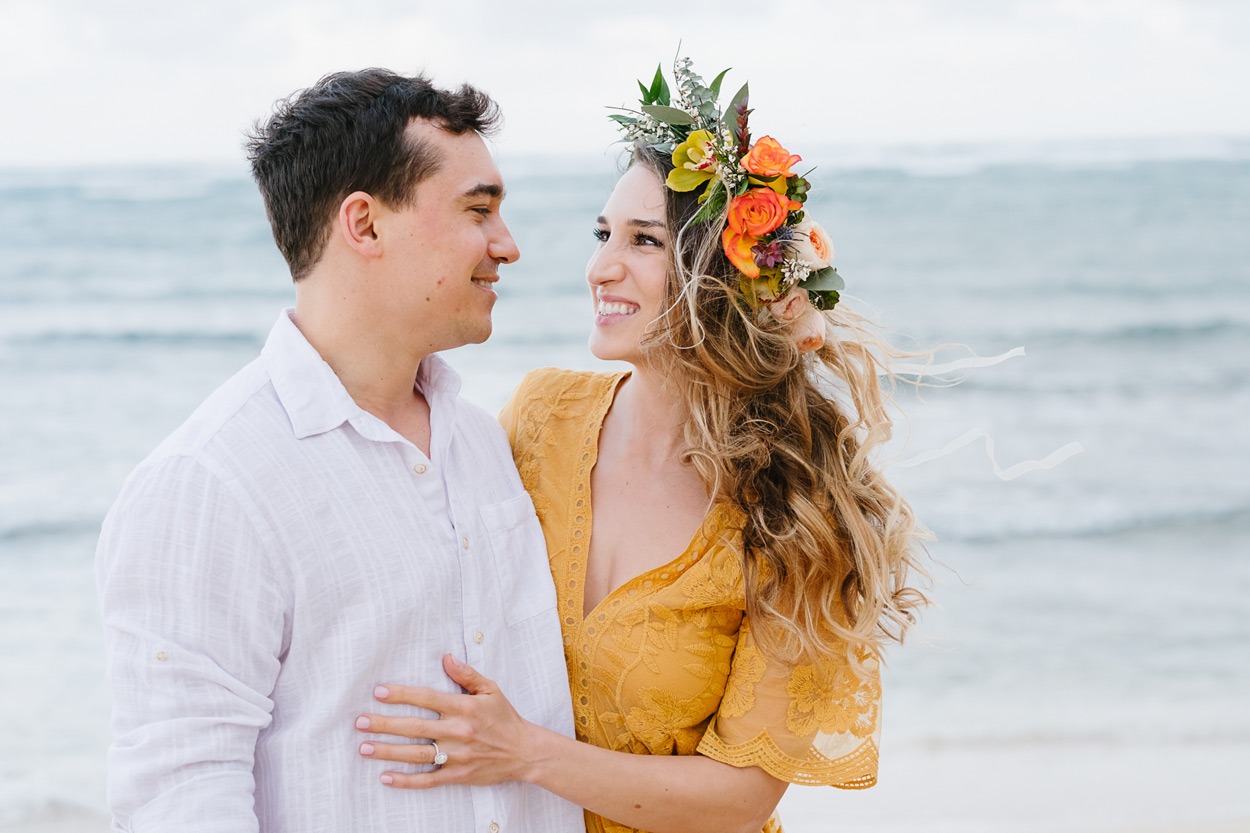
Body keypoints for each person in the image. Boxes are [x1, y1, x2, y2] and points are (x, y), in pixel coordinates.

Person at [354, 59, 930, 833]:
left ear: (721, 277)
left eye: (644, 241)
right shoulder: (540, 417)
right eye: (602, 234)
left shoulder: (793, 509)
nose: (601, 267)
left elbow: (739, 798)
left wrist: (525, 752)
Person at [95, 68, 582, 833]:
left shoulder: (484, 440)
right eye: (479, 210)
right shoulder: (211, 480)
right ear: (365, 225)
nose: (507, 245)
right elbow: (180, 792)